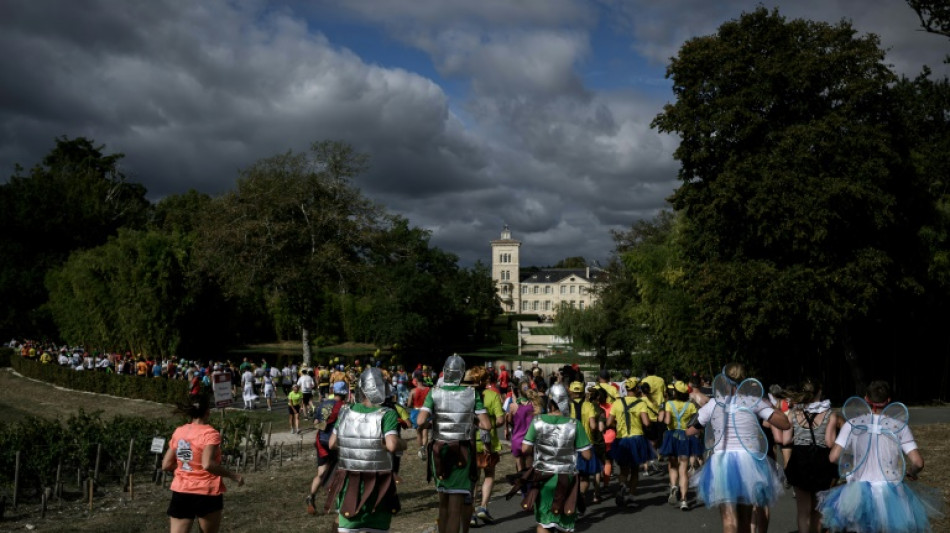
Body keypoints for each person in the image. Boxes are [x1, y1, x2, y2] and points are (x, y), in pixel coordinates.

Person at [818, 380, 944, 533]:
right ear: (889, 401)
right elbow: (918, 462)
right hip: (891, 492)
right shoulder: (899, 426)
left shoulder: (852, 424)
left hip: (858, 492)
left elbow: (833, 457)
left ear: (866, 399)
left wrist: (849, 465)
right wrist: (911, 472)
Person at [686, 363, 790, 533]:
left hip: (722, 462)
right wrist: (768, 406)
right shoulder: (753, 401)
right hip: (750, 462)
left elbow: (690, 430)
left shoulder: (714, 404)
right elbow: (784, 424)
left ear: (723, 381)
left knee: (728, 519)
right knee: (745, 518)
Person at [323, 367, 405, 533]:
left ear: (361, 389)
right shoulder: (387, 414)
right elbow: (392, 445)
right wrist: (405, 444)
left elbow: (332, 443)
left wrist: (355, 444)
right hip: (377, 484)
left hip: (350, 481)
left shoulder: (346, 411)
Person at [416, 354, 491, 533]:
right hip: (461, 450)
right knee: (455, 505)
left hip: (438, 449)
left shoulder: (434, 392)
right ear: (461, 373)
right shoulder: (471, 393)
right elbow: (486, 425)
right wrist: (470, 421)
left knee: (443, 503)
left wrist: (436, 422)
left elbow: (420, 421)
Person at [512, 383, 592, 533]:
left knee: (544, 523)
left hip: (543, 476)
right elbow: (587, 455)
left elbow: (525, 449)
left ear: (550, 402)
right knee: (564, 524)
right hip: (566, 477)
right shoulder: (575, 424)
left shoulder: (537, 421)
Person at [162, 393, 244, 533]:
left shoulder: (179, 432)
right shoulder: (210, 434)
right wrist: (233, 476)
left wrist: (186, 466)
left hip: (182, 491)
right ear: (208, 411)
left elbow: (166, 465)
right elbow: (207, 464)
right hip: (207, 492)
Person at [773, 377, 839, 533]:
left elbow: (786, 439)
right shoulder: (830, 414)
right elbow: (830, 443)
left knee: (803, 511)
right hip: (821, 461)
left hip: (800, 460)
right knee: (817, 509)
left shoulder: (794, 413)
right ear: (819, 392)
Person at [606, 376, 655, 507]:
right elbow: (646, 422)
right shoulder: (640, 403)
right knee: (634, 470)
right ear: (637, 388)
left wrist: (618, 424)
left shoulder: (617, 403)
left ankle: (622, 485)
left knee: (623, 469)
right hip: (637, 439)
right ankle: (631, 495)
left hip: (622, 439)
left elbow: (608, 422)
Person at [658, 380, 701, 511]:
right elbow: (696, 424)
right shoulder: (691, 406)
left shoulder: (669, 404)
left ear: (675, 392)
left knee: (672, 465)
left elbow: (667, 421)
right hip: (686, 436)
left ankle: (673, 486)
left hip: (672, 436)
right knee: (684, 468)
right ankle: (684, 499)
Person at [470, 366, 505, 526]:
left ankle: (470, 511)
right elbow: (500, 420)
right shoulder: (493, 396)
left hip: (470, 441)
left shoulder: (466, 395)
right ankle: (483, 507)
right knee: (489, 475)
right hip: (488, 442)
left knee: (473, 479)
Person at [568, 381, 604, 505]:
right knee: (585, 475)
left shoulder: (567, 406)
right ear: (583, 392)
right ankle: (582, 496)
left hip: (570, 444)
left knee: (571, 474)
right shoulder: (589, 406)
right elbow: (593, 426)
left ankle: (572, 497)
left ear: (571, 392)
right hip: (586, 443)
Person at [409, 374, 432, 460]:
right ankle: (423, 449)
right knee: (425, 431)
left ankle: (420, 450)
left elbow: (409, 404)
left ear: (416, 381)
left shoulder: (413, 391)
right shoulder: (429, 390)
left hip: (415, 412)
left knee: (419, 432)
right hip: (426, 412)